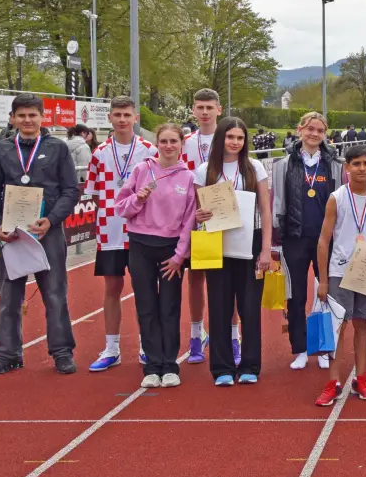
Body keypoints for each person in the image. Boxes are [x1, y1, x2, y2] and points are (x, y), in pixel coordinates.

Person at [0, 94, 80, 376]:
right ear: (13, 118)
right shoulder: (1, 150)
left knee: (55, 294)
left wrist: (51, 220)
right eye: (22, 115)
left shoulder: (58, 148)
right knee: (9, 295)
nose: (27, 120)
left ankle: (62, 352)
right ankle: (8, 354)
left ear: (42, 117)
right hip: (12, 233)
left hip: (46, 232)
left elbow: (70, 190)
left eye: (32, 115)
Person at [114, 124, 196, 389]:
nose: (169, 146)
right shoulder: (141, 170)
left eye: (173, 141)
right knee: (146, 306)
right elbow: (121, 208)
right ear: (157, 144)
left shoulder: (188, 178)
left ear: (181, 145)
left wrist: (179, 256)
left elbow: (189, 220)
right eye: (164, 141)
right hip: (140, 246)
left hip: (170, 250)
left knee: (169, 307)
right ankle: (152, 365)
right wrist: (138, 199)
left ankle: (170, 364)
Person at [194, 117, 274, 385]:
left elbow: (265, 209)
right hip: (216, 242)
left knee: (250, 306)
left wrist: (265, 250)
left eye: (240, 138)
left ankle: (250, 365)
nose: (235, 142)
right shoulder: (205, 170)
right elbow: (198, 213)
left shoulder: (254, 167)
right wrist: (200, 214)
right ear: (221, 138)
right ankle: (222, 368)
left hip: (250, 242)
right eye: (230, 137)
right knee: (219, 305)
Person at [314, 144, 366, 405]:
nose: (361, 168)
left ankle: (361, 378)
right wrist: (323, 279)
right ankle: (333, 381)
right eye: (356, 164)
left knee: (361, 324)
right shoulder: (337, 197)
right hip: (340, 270)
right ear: (346, 168)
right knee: (338, 327)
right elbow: (324, 240)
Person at [84, 96, 158, 373]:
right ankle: (112, 348)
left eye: (127, 114)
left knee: (145, 290)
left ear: (135, 118)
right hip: (109, 231)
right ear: (110, 118)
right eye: (117, 115)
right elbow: (93, 194)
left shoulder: (150, 150)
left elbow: (158, 191)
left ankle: (145, 346)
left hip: (142, 231)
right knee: (112, 289)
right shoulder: (99, 153)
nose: (123, 119)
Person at [272, 112, 343, 370]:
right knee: (296, 295)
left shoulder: (334, 164)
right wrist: (275, 242)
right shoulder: (284, 164)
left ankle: (324, 348)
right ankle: (300, 348)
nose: (314, 134)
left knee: (327, 294)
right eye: (309, 129)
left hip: (326, 239)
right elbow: (277, 202)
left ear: (325, 134)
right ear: (300, 129)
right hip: (294, 237)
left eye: (320, 130)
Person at [181, 88, 235, 365]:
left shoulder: (228, 139)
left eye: (209, 107)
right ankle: (195, 335)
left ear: (219, 109)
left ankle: (233, 336)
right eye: (199, 107)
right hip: (194, 217)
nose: (204, 112)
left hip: (225, 216)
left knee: (231, 279)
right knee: (195, 279)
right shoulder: (185, 142)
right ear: (193, 110)